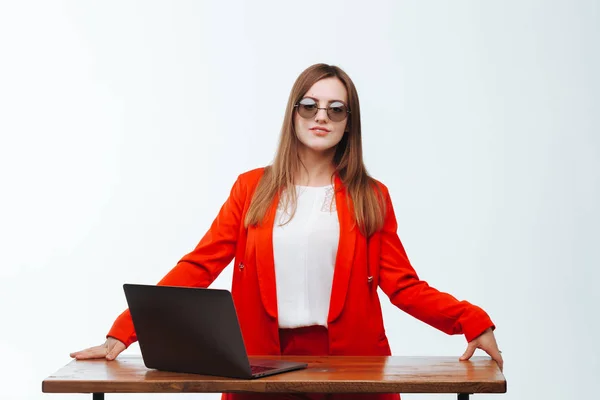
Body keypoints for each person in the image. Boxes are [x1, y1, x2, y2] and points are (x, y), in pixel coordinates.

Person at [70, 63, 503, 400]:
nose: (322, 116)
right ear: (293, 113)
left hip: (355, 369)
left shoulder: (371, 196)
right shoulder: (250, 188)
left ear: (349, 122)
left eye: (336, 109)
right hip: (260, 366)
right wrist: (123, 332)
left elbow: (403, 285)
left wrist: (471, 320)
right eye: (310, 105)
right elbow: (199, 267)